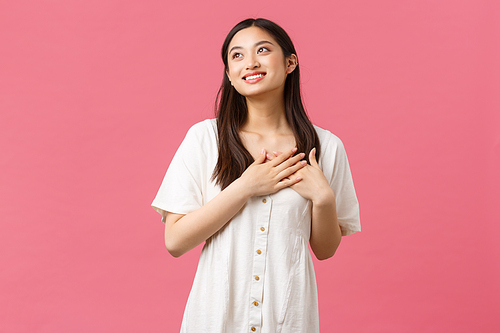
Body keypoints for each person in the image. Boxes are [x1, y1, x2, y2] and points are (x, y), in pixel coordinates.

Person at [152, 18, 360, 333]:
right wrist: (245, 187)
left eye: (262, 50)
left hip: (288, 320)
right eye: (237, 55)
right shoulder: (205, 139)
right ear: (229, 76)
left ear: (290, 62)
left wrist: (323, 198)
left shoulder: (326, 146)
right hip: (215, 319)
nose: (250, 62)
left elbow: (325, 249)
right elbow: (176, 241)